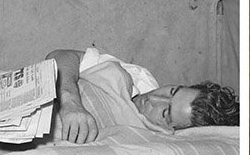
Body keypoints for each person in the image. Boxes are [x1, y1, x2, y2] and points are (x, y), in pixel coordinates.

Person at [47, 47, 239, 143]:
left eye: (165, 113)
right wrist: (70, 102)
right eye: (172, 91)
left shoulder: (149, 143)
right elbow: (60, 56)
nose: (154, 98)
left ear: (171, 131)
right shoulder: (139, 79)